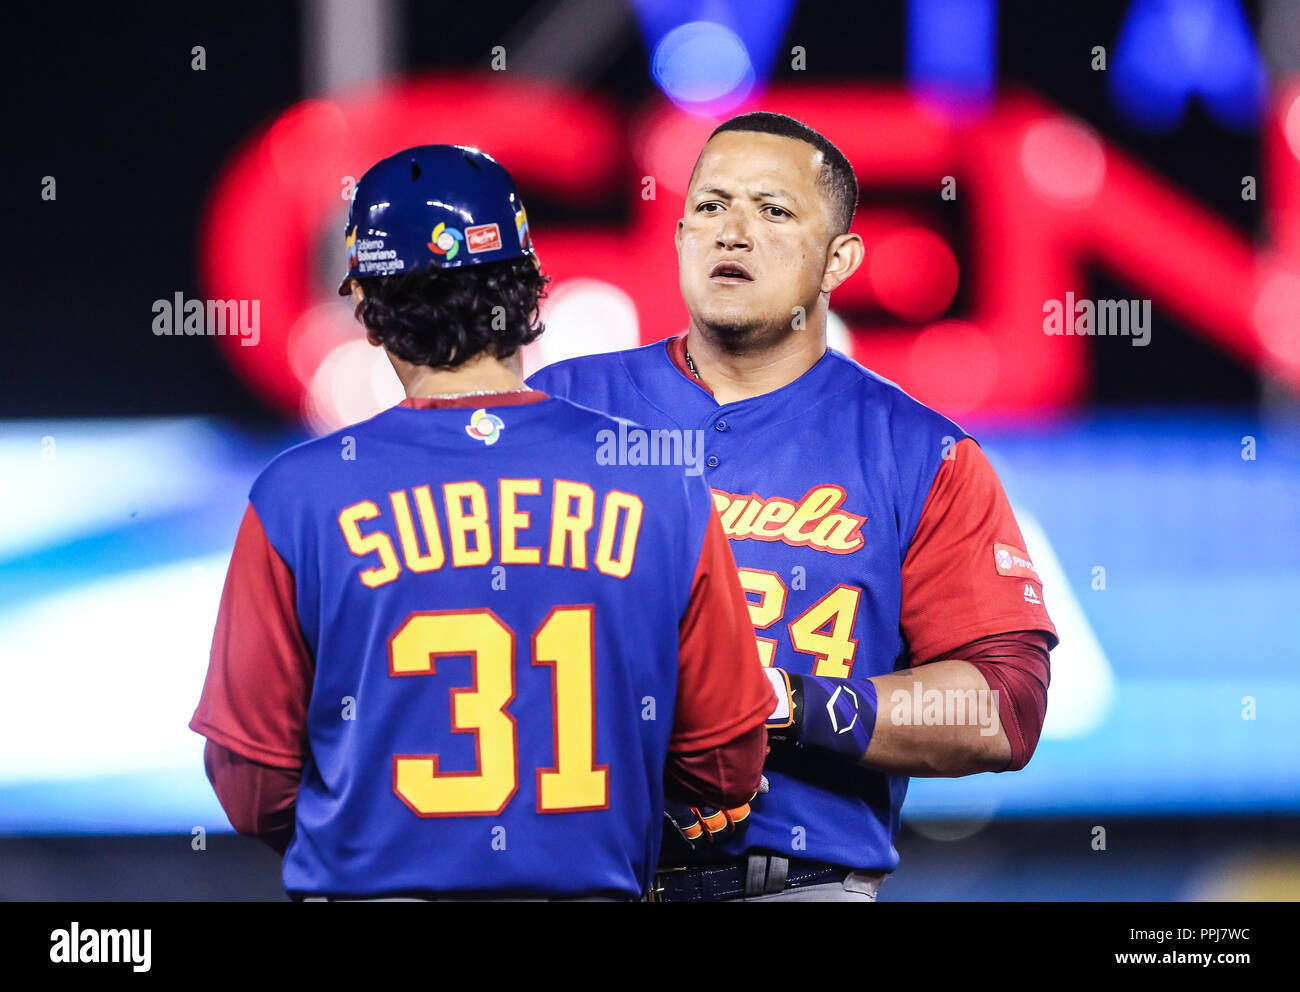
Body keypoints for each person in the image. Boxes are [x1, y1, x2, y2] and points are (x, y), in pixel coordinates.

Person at [189, 144, 774, 901]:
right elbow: (725, 762)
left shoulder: (297, 495)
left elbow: (252, 787)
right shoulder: (660, 479)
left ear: (367, 308)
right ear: (529, 287)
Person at [528, 113, 1059, 902]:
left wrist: (789, 702)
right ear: (676, 237)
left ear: (839, 259)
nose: (733, 233)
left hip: (790, 883)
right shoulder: (554, 409)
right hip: (562, 878)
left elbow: (1006, 704)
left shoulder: (918, 451)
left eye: (773, 211)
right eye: (710, 207)